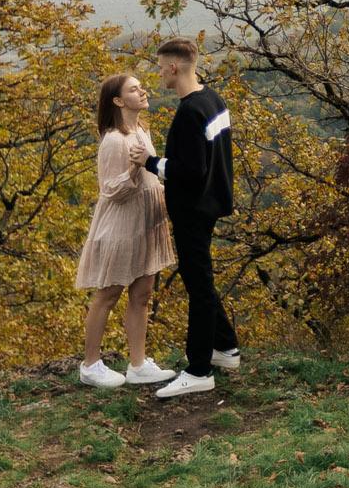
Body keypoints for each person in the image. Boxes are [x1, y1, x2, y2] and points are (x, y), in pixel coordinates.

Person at [73, 72, 178, 389]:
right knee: (108, 294)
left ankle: (138, 364)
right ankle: (90, 365)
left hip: (146, 223)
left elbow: (153, 174)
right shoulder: (113, 140)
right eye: (134, 89)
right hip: (121, 226)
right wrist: (136, 166)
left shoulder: (142, 130)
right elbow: (111, 190)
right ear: (118, 101)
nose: (143, 91)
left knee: (142, 295)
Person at [147, 36, 238, 398]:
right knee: (198, 277)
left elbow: (190, 169)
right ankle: (226, 348)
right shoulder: (213, 99)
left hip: (193, 208)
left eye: (159, 67)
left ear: (173, 67)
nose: (157, 74)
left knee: (198, 287)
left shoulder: (188, 111)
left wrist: (150, 163)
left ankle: (199, 369)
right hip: (213, 202)